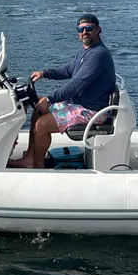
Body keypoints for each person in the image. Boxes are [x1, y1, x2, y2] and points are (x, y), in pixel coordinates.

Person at [9, 14, 116, 169]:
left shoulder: (98, 54)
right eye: (81, 29)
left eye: (89, 28)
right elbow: (68, 70)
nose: (85, 32)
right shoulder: (85, 51)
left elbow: (76, 85)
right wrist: (44, 73)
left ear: (98, 30)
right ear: (78, 32)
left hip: (91, 110)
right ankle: (29, 158)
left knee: (41, 125)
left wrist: (50, 99)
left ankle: (37, 167)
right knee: (38, 110)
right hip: (80, 104)